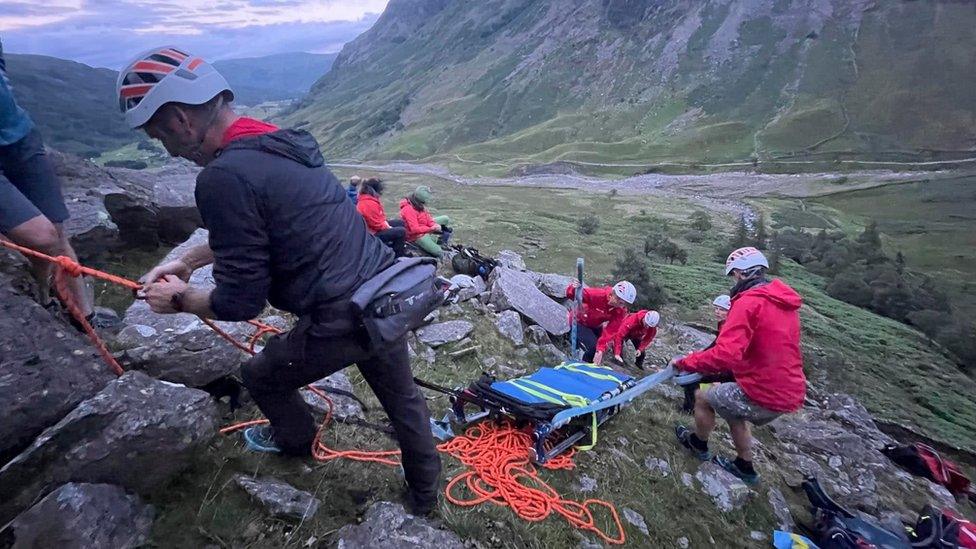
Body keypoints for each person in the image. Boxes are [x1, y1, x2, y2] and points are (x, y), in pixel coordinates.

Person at [121, 47, 441, 514]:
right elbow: (269, 225)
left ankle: (295, 444)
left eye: (157, 135)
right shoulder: (281, 143)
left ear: (179, 121)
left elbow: (240, 301)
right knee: (402, 398)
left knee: (261, 376)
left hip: (340, 317)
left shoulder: (223, 177)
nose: (164, 147)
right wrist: (189, 260)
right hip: (384, 291)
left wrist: (180, 299)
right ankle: (425, 496)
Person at [0, 40, 113, 329]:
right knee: (42, 236)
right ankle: (45, 298)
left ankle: (84, 318)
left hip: (20, 138)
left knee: (58, 233)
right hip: (17, 142)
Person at [672, 247, 805, 484]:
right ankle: (745, 466)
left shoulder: (748, 303)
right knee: (731, 406)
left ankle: (698, 444)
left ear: (742, 274)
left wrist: (685, 362)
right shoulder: (783, 304)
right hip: (788, 389)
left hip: (763, 390)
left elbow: (725, 355)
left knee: (703, 397)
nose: (733, 279)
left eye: (734, 274)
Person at [679, 295, 734, 413]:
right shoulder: (723, 324)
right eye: (716, 308)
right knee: (693, 377)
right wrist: (699, 356)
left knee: (691, 379)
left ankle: (690, 409)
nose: (717, 312)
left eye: (722, 310)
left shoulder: (729, 326)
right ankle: (692, 408)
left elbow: (722, 351)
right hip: (727, 367)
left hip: (730, 369)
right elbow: (715, 344)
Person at [566, 281, 635, 363]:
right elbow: (573, 295)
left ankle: (589, 363)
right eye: (620, 303)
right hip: (579, 321)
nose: (621, 306)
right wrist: (573, 288)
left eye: (624, 304)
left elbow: (611, 330)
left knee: (601, 348)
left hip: (595, 324)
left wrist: (600, 349)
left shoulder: (620, 310)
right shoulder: (598, 295)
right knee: (594, 347)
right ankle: (583, 363)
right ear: (614, 295)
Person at [356, 177, 407, 257]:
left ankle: (396, 246)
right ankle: (398, 255)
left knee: (400, 223)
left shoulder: (368, 199)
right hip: (371, 235)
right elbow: (376, 224)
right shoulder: (368, 203)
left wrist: (386, 225)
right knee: (401, 231)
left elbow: (379, 219)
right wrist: (388, 227)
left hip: (373, 229)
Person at [593, 309, 659, 369]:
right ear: (644, 318)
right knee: (618, 350)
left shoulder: (652, 328)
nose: (647, 327)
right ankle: (616, 362)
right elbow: (619, 335)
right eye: (646, 324)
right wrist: (617, 353)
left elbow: (648, 338)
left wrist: (640, 349)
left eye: (649, 326)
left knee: (642, 354)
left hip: (637, 335)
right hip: (624, 333)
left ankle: (638, 367)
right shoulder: (632, 320)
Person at [399, 186, 452, 258]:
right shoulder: (408, 209)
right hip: (415, 236)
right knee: (439, 252)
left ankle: (438, 240)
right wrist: (431, 229)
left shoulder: (419, 205)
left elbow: (429, 219)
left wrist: (435, 225)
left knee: (445, 219)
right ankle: (433, 242)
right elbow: (414, 229)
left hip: (424, 228)